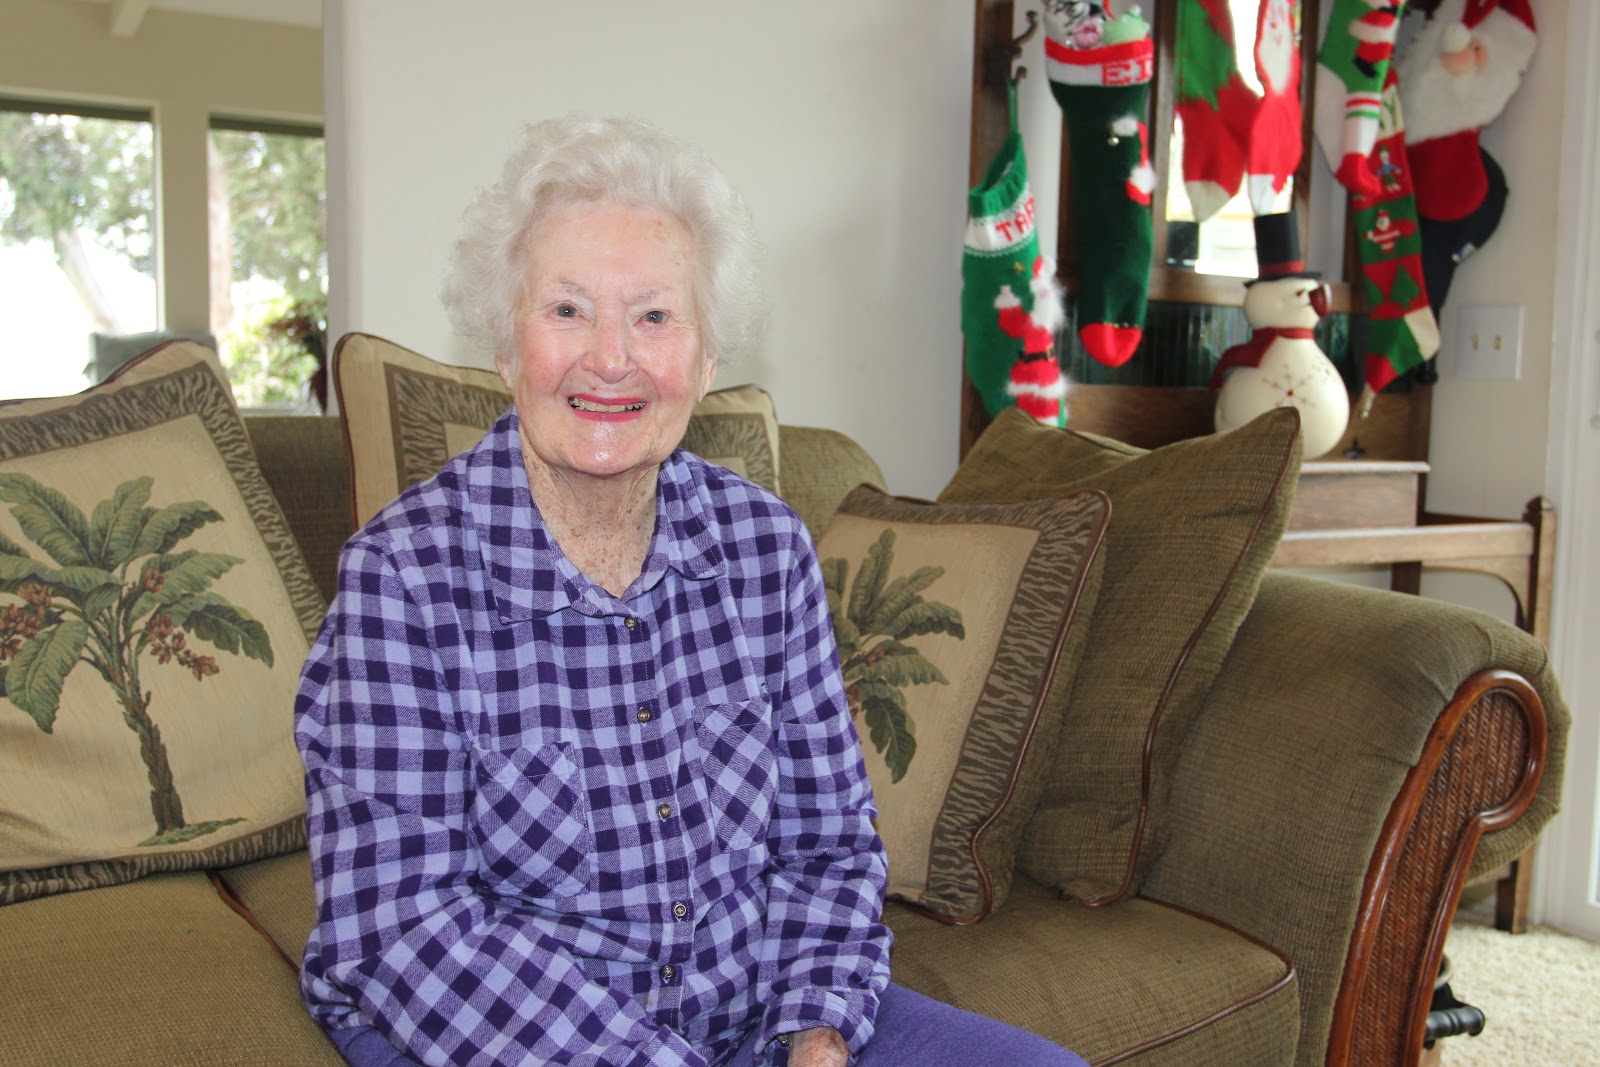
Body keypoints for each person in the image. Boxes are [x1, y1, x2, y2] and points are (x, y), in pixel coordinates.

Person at [295, 114, 1087, 1067]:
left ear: (707, 362)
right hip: (492, 1038)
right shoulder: (402, 579)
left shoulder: (765, 550)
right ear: (505, 347)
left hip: (751, 1021)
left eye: (654, 316)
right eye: (567, 310)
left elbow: (827, 843)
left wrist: (817, 1033)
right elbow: (406, 930)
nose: (611, 358)